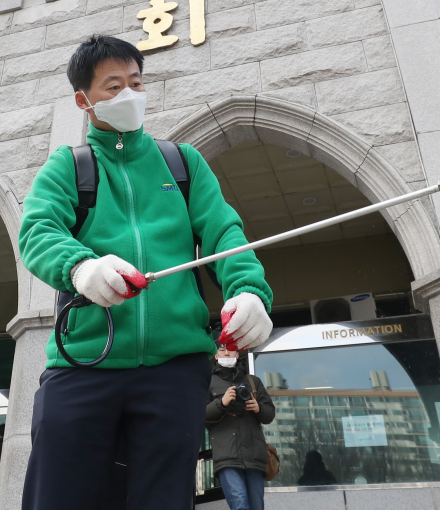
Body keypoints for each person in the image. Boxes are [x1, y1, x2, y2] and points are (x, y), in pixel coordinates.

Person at [18, 34, 274, 510]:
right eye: (113, 87)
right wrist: (81, 268)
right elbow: (37, 231)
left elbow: (224, 233)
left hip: (174, 372)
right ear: (83, 100)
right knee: (57, 495)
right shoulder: (68, 167)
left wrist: (250, 290)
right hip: (82, 364)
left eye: (136, 82)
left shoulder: (183, 163)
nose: (129, 95)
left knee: (164, 499)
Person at [205, 345, 275, 510]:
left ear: (238, 353)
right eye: (222, 350)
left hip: (254, 454)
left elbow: (270, 414)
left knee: (257, 506)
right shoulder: (208, 382)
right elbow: (200, 415)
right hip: (226, 454)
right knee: (240, 505)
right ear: (215, 355)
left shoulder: (252, 381)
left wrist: (258, 408)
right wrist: (221, 403)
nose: (227, 353)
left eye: (231, 349)